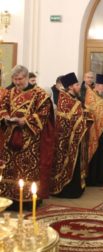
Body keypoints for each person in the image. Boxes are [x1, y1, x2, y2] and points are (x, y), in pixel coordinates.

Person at [0, 65, 54, 209]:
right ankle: (10, 199)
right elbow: (2, 107)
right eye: (15, 79)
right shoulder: (9, 93)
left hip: (30, 139)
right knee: (9, 169)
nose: (17, 82)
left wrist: (25, 120)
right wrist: (5, 116)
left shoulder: (40, 94)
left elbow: (44, 114)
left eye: (20, 79)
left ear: (26, 77)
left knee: (27, 170)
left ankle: (28, 201)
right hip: (10, 137)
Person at [50, 72, 92, 198]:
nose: (79, 86)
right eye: (77, 84)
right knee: (67, 163)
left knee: (76, 163)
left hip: (76, 138)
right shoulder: (64, 99)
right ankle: (67, 190)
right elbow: (65, 121)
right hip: (67, 138)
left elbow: (79, 115)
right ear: (70, 87)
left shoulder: (75, 99)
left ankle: (76, 188)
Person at [85, 74, 103, 186]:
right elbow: (94, 112)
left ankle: (102, 177)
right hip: (95, 131)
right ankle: (94, 179)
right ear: (97, 85)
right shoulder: (91, 96)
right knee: (96, 155)